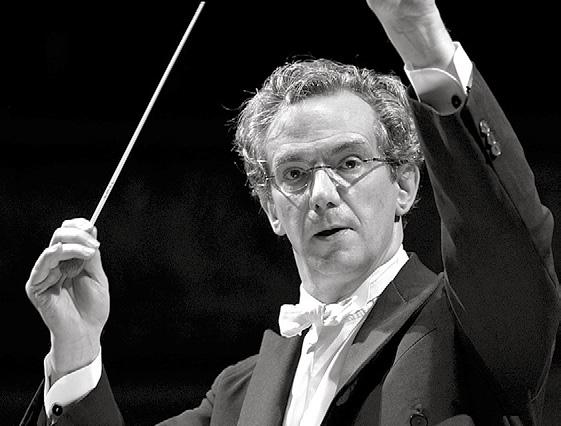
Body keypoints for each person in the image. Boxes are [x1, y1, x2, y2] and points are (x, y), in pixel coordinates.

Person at [21, 0, 560, 425]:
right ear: (271, 209)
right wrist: (77, 348)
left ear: (404, 185)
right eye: (295, 174)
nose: (322, 193)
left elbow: (503, 234)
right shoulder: (235, 395)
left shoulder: (468, 326)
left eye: (349, 162)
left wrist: (421, 37)